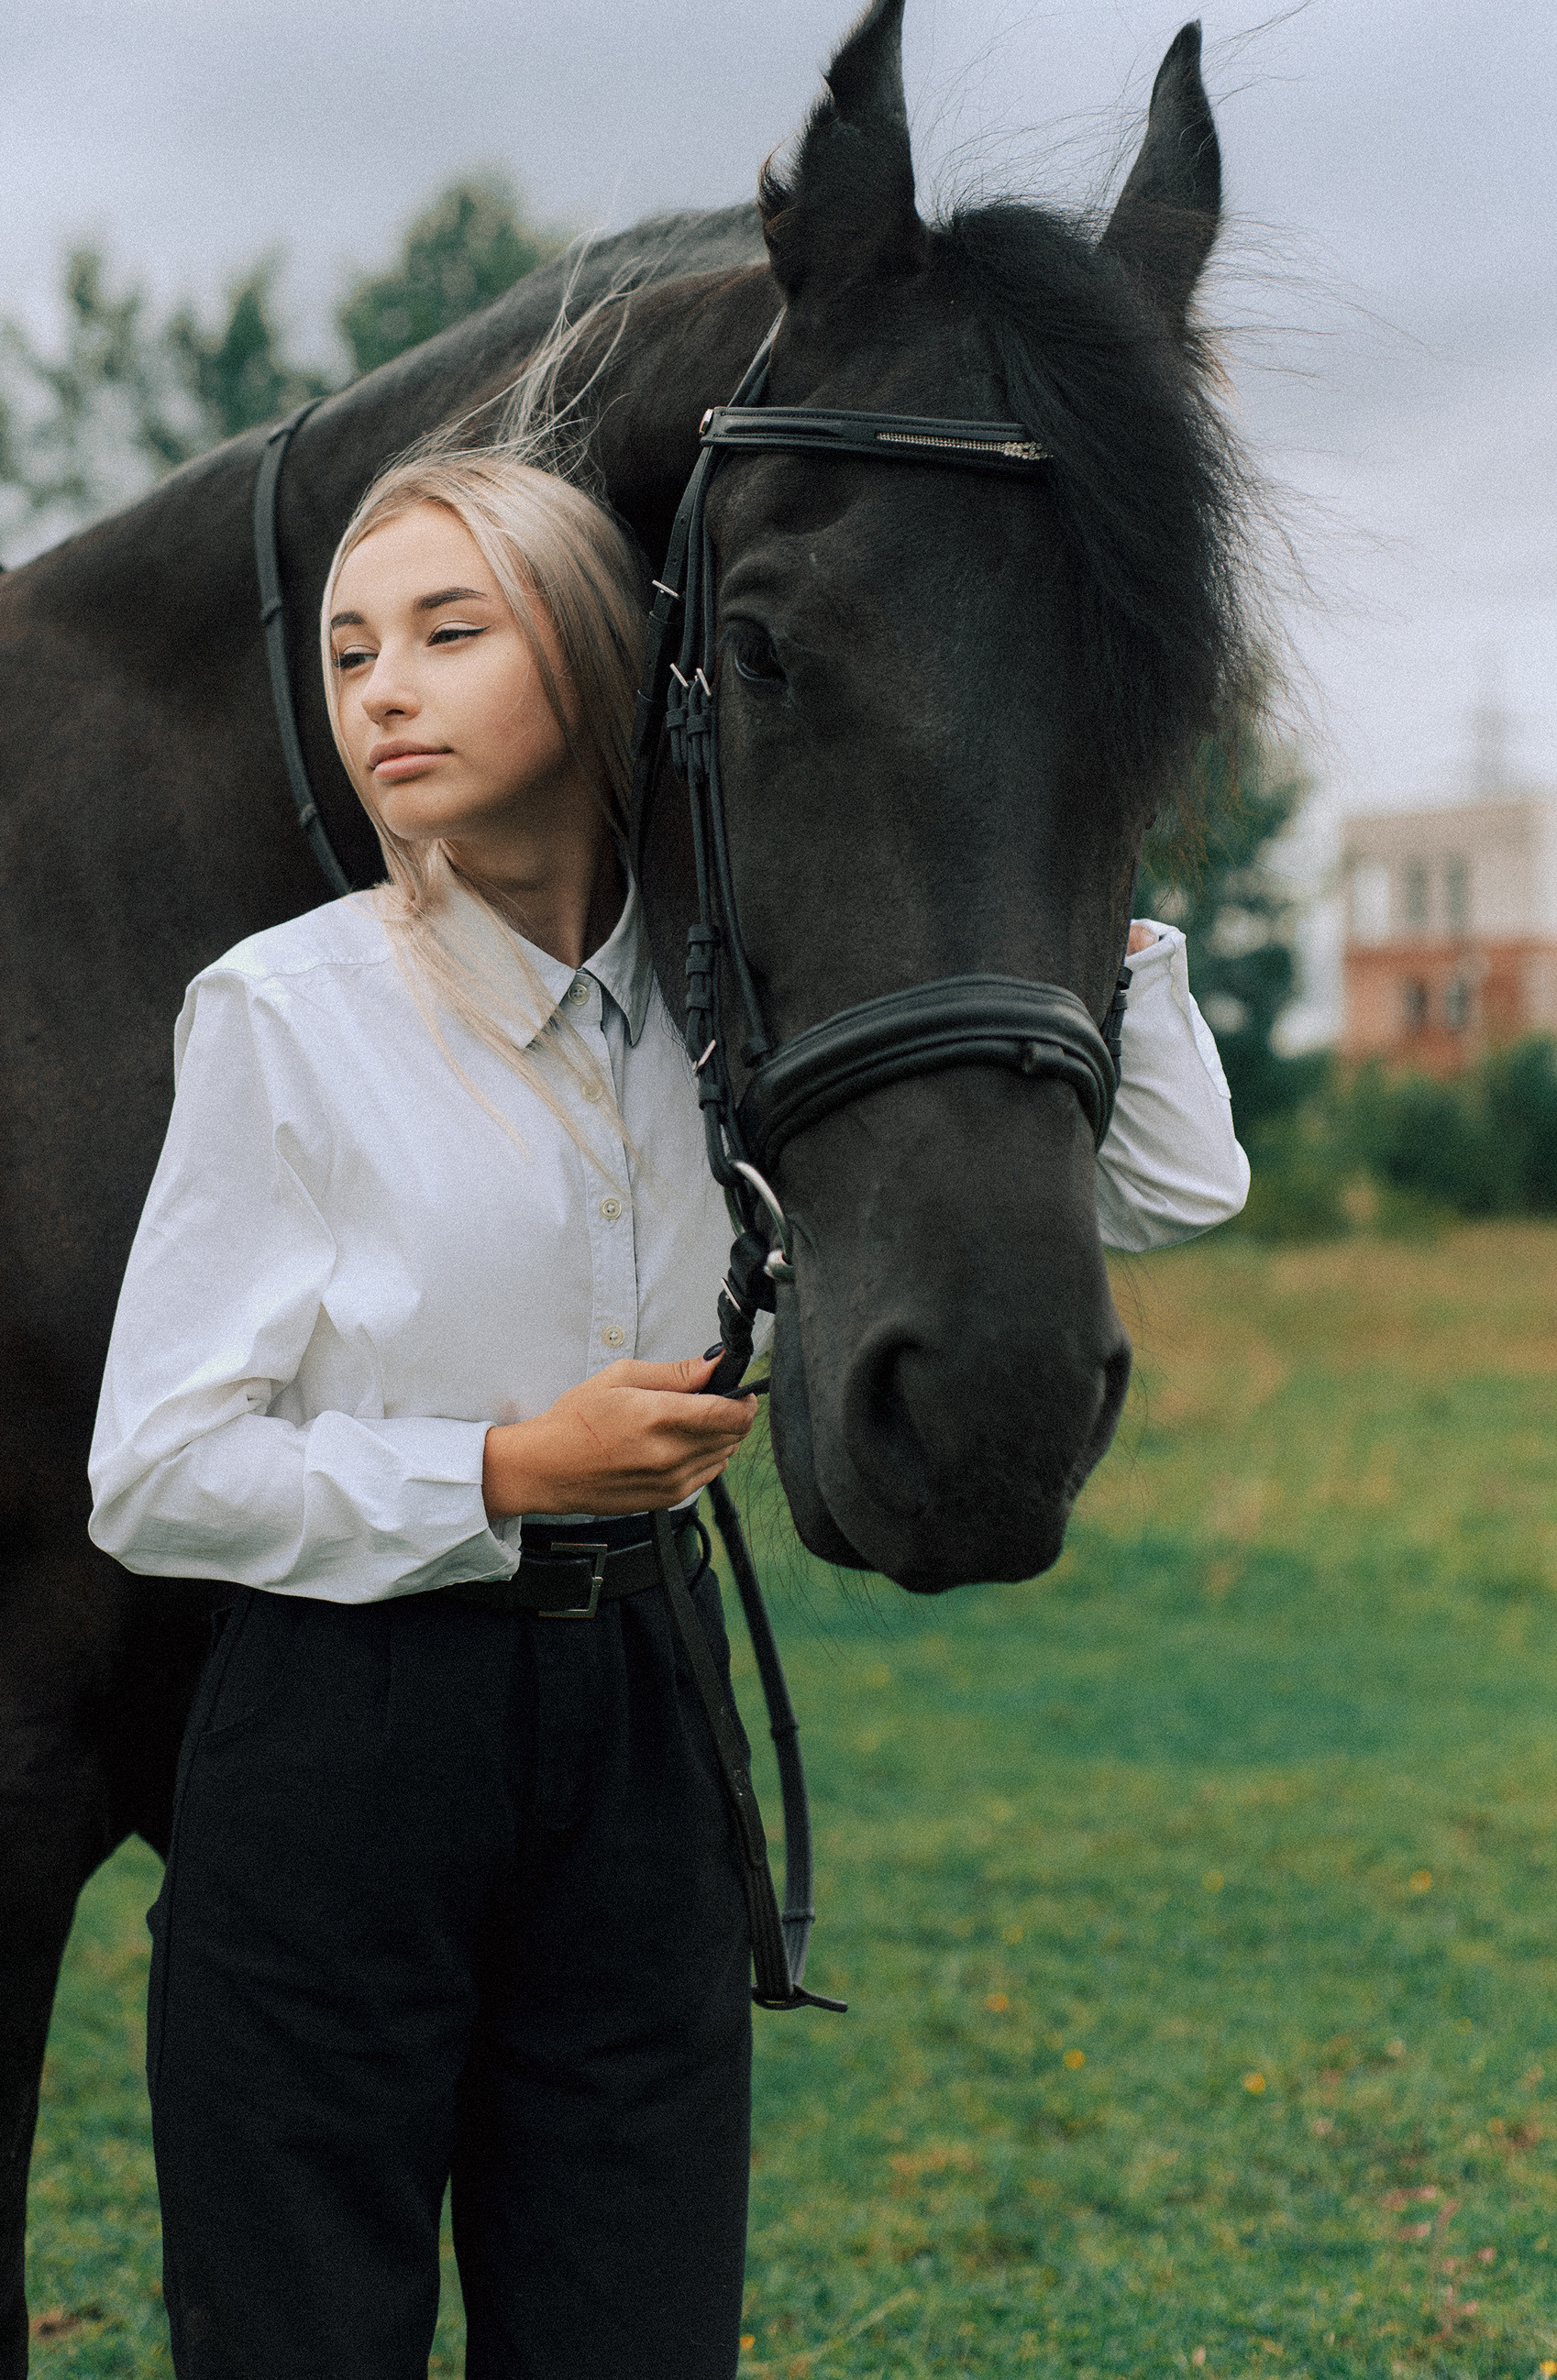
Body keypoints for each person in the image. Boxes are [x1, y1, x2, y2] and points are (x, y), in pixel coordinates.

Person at [87, 449, 1249, 2380]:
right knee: (300, 2333)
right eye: (351, 650)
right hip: (343, 1737)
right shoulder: (284, 1014)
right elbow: (152, 1471)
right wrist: (501, 1471)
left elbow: (1171, 1187)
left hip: (650, 1711)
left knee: (632, 2325)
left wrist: (1055, 843)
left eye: (448, 634)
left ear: (602, 657)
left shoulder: (740, 1004)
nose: (381, 693)